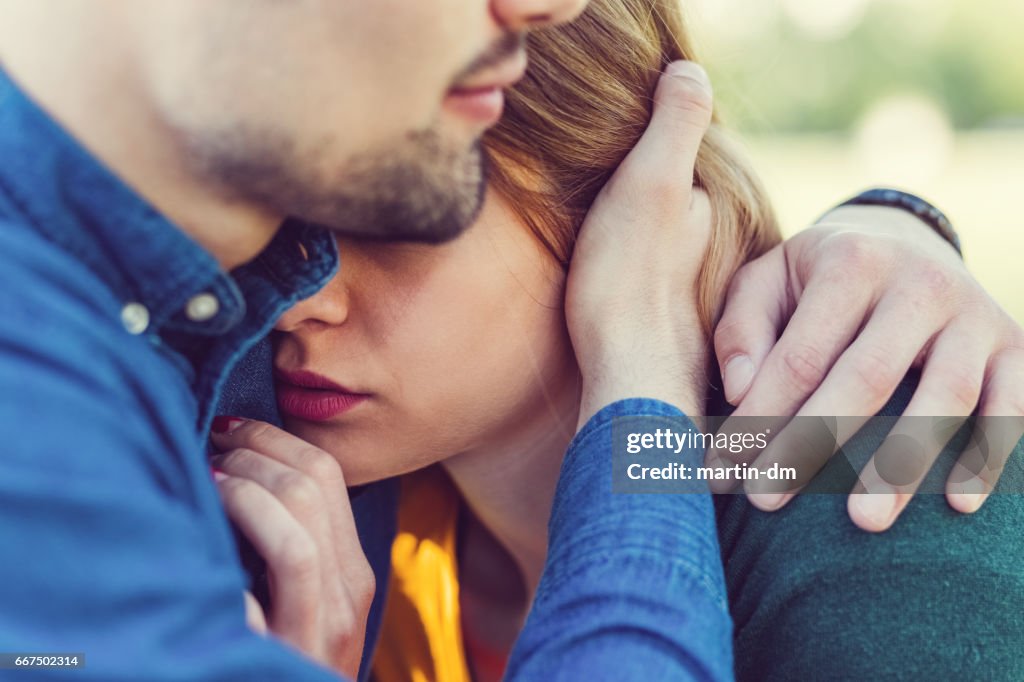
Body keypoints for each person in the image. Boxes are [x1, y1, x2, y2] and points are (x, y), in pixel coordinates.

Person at [212, 0, 1024, 679]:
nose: (292, 301)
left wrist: (895, 212)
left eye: (389, 219)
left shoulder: (874, 478)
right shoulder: (330, 518)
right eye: (261, 215)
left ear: (618, 190)